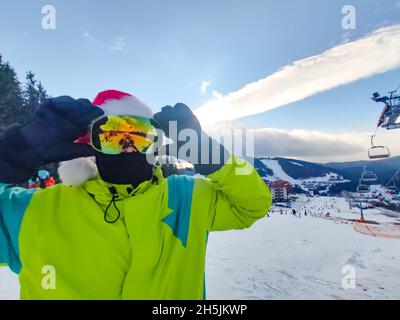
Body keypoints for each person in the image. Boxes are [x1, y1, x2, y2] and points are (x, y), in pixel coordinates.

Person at [0, 90, 271, 300]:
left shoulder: (186, 198)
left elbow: (253, 203)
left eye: (140, 136)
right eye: (113, 137)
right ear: (90, 145)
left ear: (155, 143)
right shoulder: (35, 211)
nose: (129, 148)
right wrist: (9, 157)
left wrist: (211, 156)